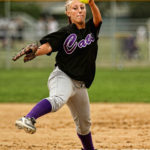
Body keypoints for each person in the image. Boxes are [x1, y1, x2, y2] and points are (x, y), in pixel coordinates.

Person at [15, 0, 102, 149]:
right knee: (58, 100)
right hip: (63, 77)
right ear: (68, 12)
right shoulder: (65, 32)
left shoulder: (91, 29)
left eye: (82, 7)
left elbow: (98, 19)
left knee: (84, 124)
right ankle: (28, 118)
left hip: (80, 85)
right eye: (75, 8)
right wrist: (36, 51)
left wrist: (92, 3)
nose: (80, 10)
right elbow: (48, 46)